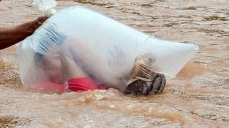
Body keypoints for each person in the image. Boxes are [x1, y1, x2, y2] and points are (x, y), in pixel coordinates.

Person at [30, 27, 166, 95]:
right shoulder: (41, 86)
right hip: (79, 91)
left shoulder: (93, 70)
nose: (64, 62)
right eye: (58, 57)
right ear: (43, 67)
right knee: (71, 43)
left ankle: (134, 83)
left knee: (149, 60)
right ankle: (123, 84)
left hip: (103, 91)